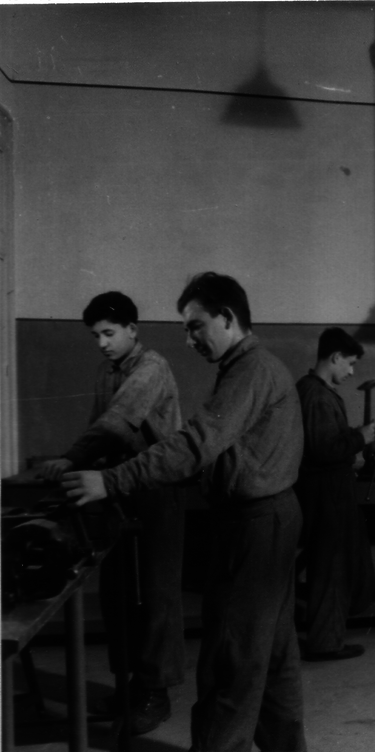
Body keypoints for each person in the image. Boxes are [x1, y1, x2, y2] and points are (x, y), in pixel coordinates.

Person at [63, 272, 307, 752]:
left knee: (229, 663)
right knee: (273, 660)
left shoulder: (252, 371)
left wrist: (111, 479)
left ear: (228, 318)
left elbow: (197, 443)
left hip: (256, 525)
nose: (189, 338)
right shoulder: (246, 368)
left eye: (195, 326)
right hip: (267, 519)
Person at [39, 291, 185, 735]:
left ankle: (155, 695)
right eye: (95, 335)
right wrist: (76, 462)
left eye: (108, 333)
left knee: (157, 596)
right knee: (119, 594)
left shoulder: (151, 367)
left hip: (159, 489)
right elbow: (97, 427)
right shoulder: (108, 371)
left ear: (132, 331)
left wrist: (69, 459)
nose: (101, 343)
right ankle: (131, 686)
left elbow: (116, 424)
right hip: (121, 488)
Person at [295, 327, 375, 661]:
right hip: (328, 495)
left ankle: (325, 639)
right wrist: (360, 436)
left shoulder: (314, 391)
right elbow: (323, 449)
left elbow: (328, 441)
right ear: (334, 358)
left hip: (325, 493)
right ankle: (325, 643)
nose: (351, 371)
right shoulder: (316, 396)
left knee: (329, 568)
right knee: (330, 570)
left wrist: (360, 436)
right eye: (349, 363)